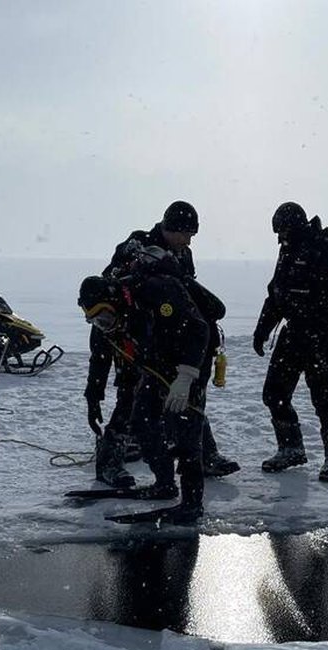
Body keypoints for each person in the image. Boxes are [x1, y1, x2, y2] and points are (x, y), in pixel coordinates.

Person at [84, 201, 238, 488]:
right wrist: (94, 391)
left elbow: (187, 293)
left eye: (192, 235)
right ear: (171, 228)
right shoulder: (137, 245)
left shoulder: (183, 254)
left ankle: (205, 455)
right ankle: (109, 462)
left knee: (187, 396)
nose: (189, 240)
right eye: (185, 234)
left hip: (170, 336)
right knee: (131, 395)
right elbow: (111, 294)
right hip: (132, 331)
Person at [77, 250, 209, 523]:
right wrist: (93, 397)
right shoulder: (110, 320)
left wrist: (185, 378)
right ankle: (164, 483)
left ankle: (192, 503)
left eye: (104, 317)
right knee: (142, 421)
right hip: (157, 365)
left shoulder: (157, 292)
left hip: (193, 359)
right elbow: (99, 360)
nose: (104, 325)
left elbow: (199, 330)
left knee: (186, 431)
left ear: (114, 300)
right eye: (96, 321)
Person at [251, 202, 328, 482]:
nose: (279, 238)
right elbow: (277, 294)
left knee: (324, 396)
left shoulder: (327, 248)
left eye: (282, 231)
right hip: (294, 332)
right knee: (274, 393)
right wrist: (262, 330)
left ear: (295, 226)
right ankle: (291, 448)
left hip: (322, 336)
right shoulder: (287, 250)